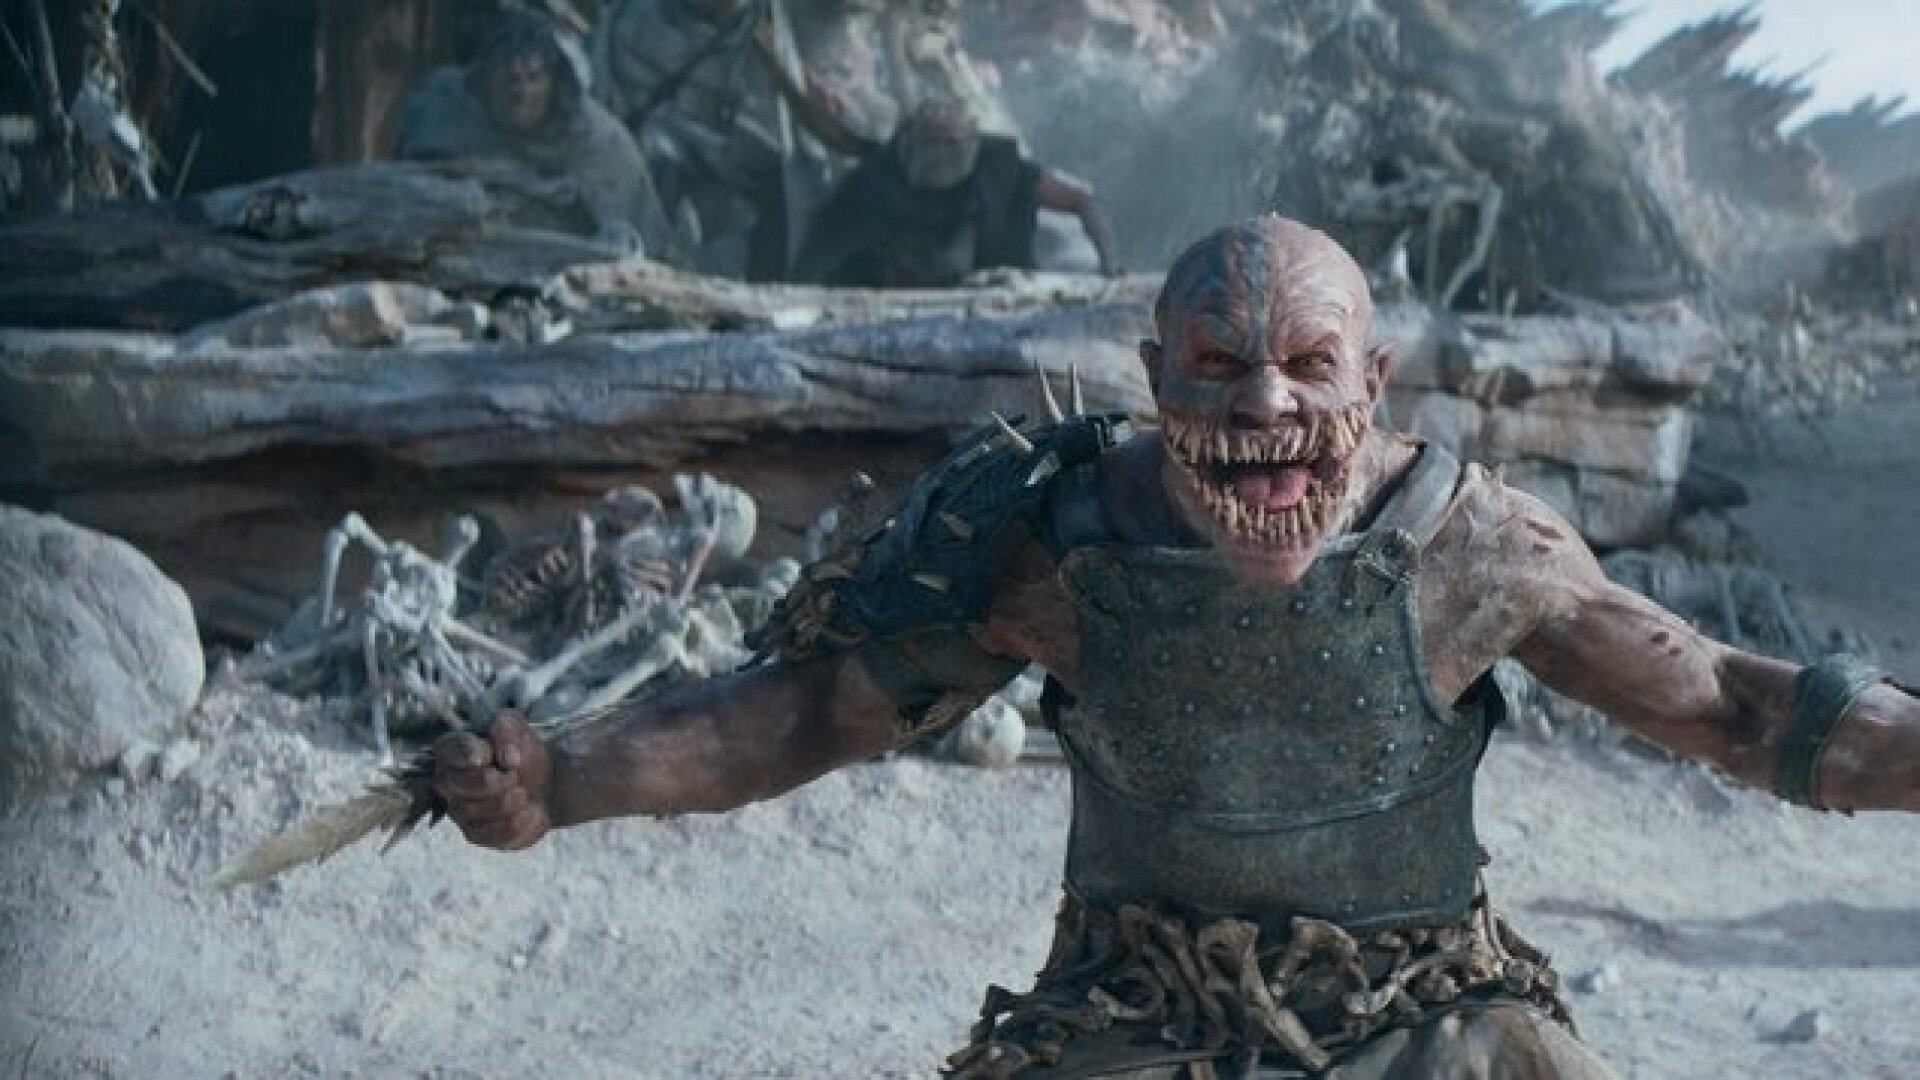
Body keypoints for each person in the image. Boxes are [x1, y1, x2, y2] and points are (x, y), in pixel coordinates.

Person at [430, 215, 1920, 1077]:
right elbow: (812, 712)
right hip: (1134, 1018)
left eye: (1308, 366)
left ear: (1375, 383)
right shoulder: (1054, 546)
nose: (1265, 404)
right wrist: (561, 779)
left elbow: (1733, 706)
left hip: (1428, 1019)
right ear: (1154, 380)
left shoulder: (1478, 551)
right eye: (1219, 366)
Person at [590, 0, 879, 280]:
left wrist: (791, 80)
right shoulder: (642, 23)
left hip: (743, 180)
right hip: (664, 171)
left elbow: (843, 130)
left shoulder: (769, 25)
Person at [393, 12, 678, 259]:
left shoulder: (602, 144)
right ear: (482, 77)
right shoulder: (441, 108)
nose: (521, 93)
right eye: (510, 79)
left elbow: (648, 250)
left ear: (554, 82)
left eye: (533, 78)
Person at [793, 98, 1122, 287]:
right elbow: (821, 249)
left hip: (989, 295)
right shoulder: (875, 180)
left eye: (951, 142)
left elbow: (1082, 201)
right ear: (909, 140)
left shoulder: (1002, 171)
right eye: (931, 141)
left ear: (972, 141)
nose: (941, 153)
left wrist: (1111, 263)